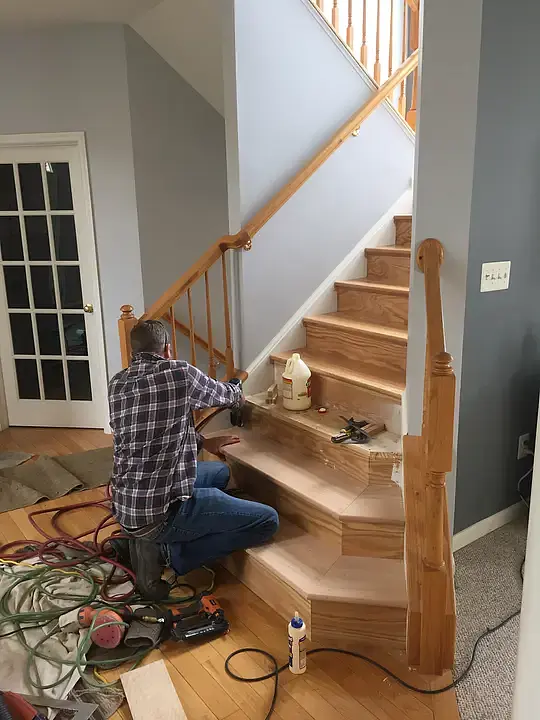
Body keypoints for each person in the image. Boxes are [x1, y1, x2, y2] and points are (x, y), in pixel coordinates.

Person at [108, 320, 279, 600]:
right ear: (167, 349)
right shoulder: (179, 373)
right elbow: (228, 396)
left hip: (125, 504)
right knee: (267, 520)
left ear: (133, 352)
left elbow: (152, 432)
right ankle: (171, 553)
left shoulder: (118, 383)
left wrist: (204, 443)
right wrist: (236, 385)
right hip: (158, 515)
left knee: (220, 474)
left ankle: (143, 539)